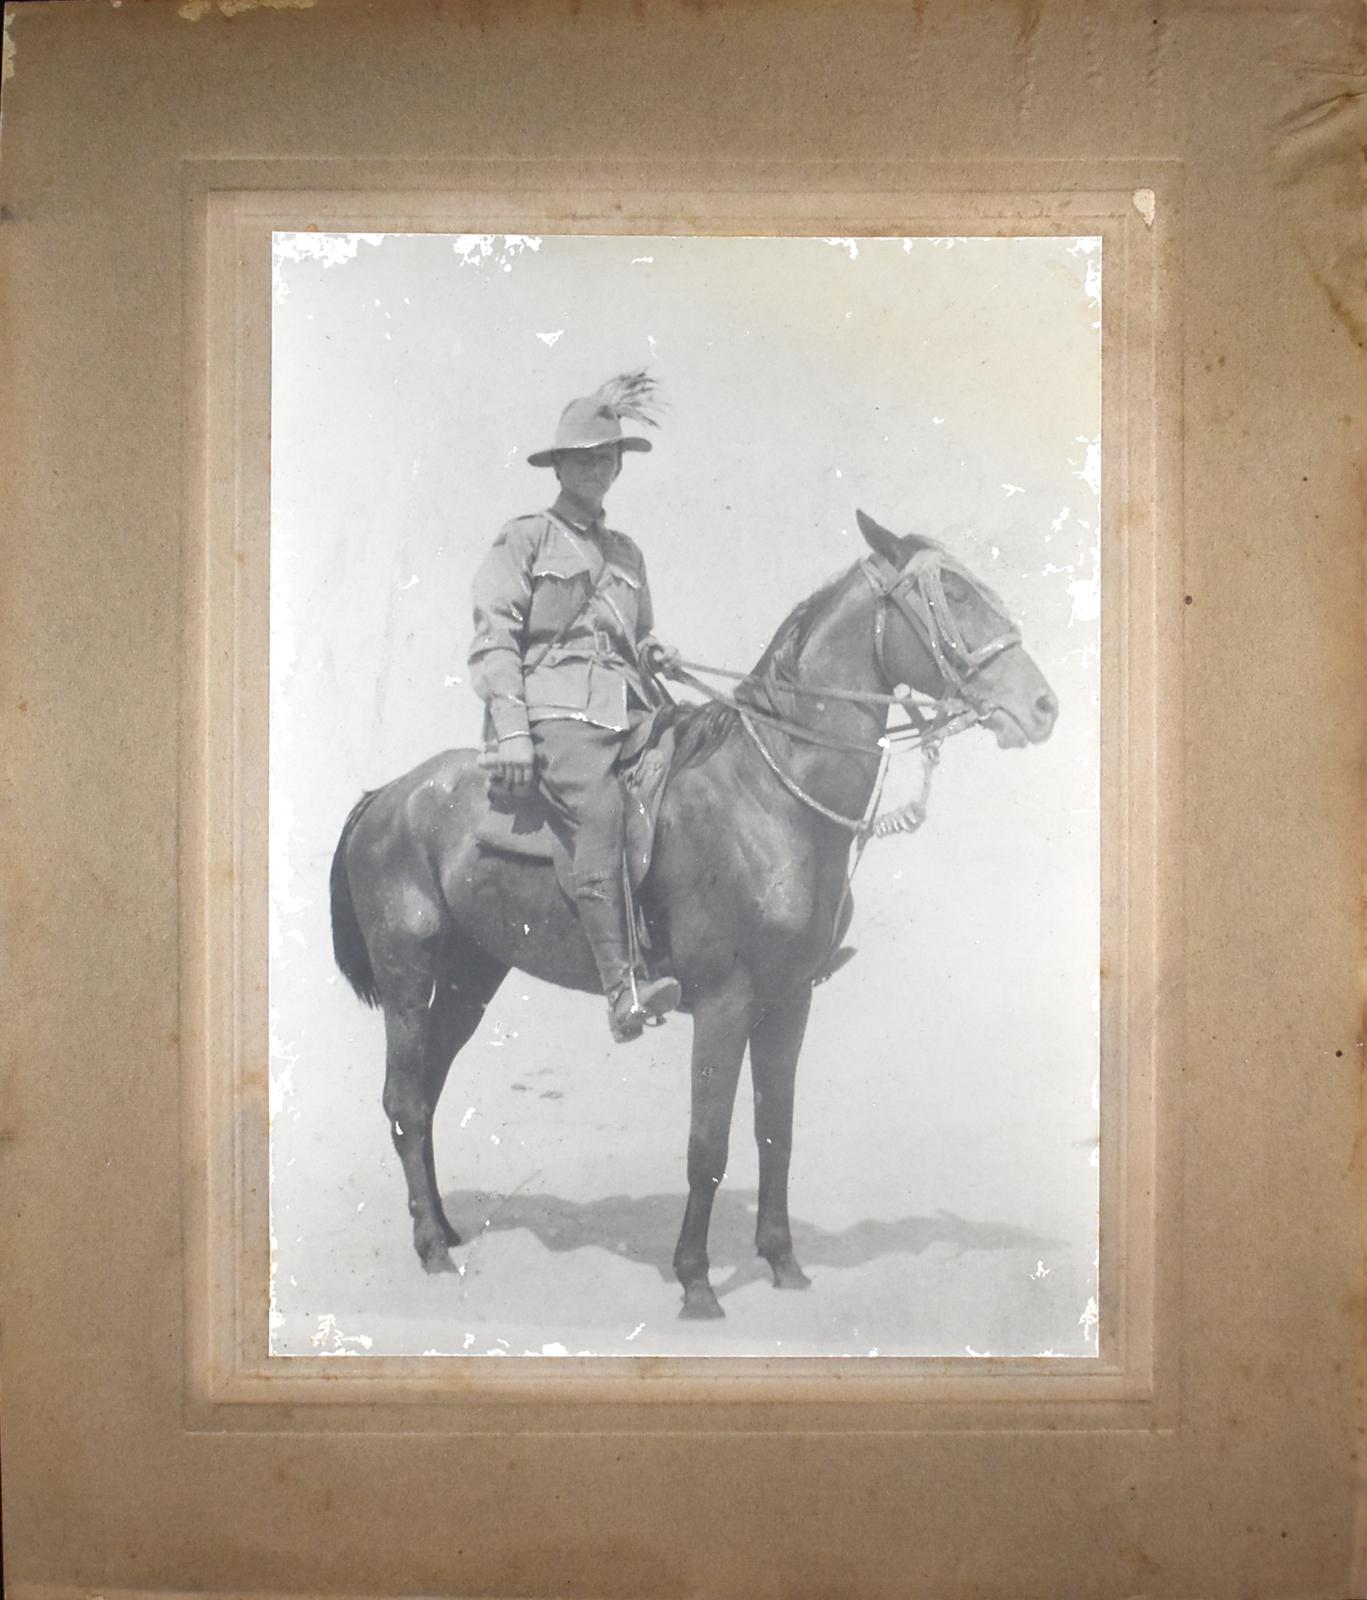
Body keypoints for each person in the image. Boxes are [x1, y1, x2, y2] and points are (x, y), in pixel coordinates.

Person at [469, 372, 683, 1043]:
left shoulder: (626, 553)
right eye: (584, 457)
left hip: (631, 707)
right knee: (602, 811)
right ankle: (622, 988)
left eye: (607, 456)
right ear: (559, 466)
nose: (598, 468)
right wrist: (512, 735)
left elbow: (634, 634)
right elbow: (494, 637)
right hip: (557, 713)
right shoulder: (526, 538)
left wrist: (653, 651)